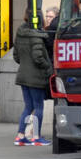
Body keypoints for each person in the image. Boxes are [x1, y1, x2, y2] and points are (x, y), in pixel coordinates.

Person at [13, 8, 52, 147]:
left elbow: (16, 56)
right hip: (36, 77)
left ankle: (20, 135)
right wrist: (49, 68)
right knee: (38, 107)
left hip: (23, 75)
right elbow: (38, 57)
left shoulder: (20, 32)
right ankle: (36, 136)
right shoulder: (36, 35)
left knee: (28, 107)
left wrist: (25, 64)